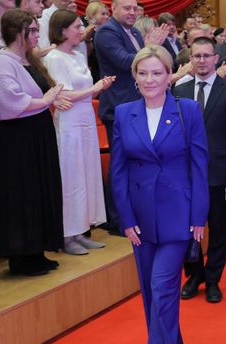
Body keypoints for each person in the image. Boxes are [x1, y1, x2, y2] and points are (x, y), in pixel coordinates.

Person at [111, 45, 208, 344]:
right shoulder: (123, 114)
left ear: (170, 76)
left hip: (177, 216)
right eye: (143, 73)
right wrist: (125, 218)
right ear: (134, 78)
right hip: (139, 218)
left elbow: (200, 166)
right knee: (151, 291)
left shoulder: (188, 111)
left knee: (164, 286)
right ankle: (173, 342)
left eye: (157, 73)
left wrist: (199, 216)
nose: (150, 80)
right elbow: (118, 171)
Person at [0, 8, 71, 275]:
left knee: (38, 191)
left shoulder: (28, 59)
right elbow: (8, 101)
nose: (36, 34)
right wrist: (45, 100)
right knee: (21, 195)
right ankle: (20, 256)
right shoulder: (2, 62)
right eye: (31, 30)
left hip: (36, 133)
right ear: (16, 33)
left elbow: (42, 91)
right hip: (16, 137)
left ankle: (36, 250)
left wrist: (51, 97)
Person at [173, 36, 226, 304]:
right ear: (190, 59)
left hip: (218, 173)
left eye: (207, 56)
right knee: (185, 231)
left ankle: (213, 280)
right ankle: (194, 276)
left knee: (217, 230)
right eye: (196, 56)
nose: (202, 61)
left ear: (217, 58)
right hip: (185, 176)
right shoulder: (179, 92)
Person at [93, 0, 167, 235]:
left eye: (135, 8)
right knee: (119, 165)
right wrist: (149, 47)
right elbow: (127, 62)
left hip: (137, 105)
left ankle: (135, 214)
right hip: (117, 108)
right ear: (113, 8)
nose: (132, 12)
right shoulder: (106, 32)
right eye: (127, 8)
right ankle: (115, 220)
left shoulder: (134, 31)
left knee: (136, 163)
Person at [44, 9, 113, 255]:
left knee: (87, 174)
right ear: (62, 30)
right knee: (71, 177)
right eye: (75, 26)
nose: (79, 30)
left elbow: (85, 91)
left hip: (85, 118)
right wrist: (94, 88)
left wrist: (100, 87)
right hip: (70, 121)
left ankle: (82, 230)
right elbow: (63, 95)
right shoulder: (54, 57)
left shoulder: (78, 54)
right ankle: (66, 234)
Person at [83, 1, 108, 82]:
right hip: (94, 71)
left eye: (107, 14)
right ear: (92, 16)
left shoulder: (109, 32)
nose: (106, 17)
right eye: (103, 14)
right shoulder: (86, 32)